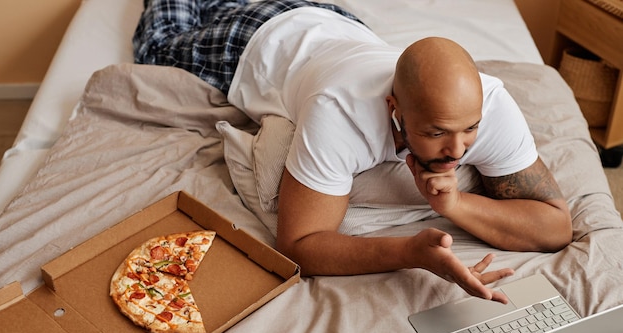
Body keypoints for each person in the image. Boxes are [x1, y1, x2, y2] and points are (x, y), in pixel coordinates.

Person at [133, 0, 573, 304]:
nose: (457, 150)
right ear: (393, 109)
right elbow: (300, 245)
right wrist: (410, 252)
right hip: (254, 41)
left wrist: (455, 203)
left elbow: (555, 227)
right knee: (159, 43)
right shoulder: (339, 113)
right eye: (436, 132)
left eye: (469, 129)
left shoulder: (493, 104)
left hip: (334, 20)